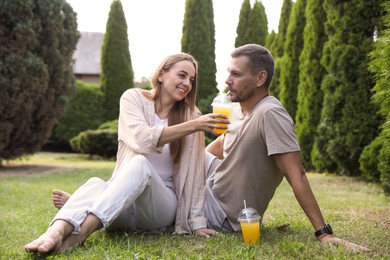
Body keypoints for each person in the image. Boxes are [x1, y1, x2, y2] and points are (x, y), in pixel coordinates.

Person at [24, 52, 223, 254]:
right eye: (182, 75)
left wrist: (197, 223)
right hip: (121, 207)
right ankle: (55, 232)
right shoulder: (133, 98)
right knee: (96, 183)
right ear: (161, 74)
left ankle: (80, 233)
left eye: (191, 79)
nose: (187, 83)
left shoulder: (192, 116)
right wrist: (194, 125)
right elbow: (142, 139)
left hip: (159, 209)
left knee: (139, 165)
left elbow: (196, 175)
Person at [203, 44, 370, 253]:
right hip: (206, 188)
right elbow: (221, 143)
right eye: (229, 73)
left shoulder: (270, 114)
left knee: (151, 175)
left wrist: (324, 232)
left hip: (221, 212)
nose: (228, 80)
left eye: (236, 74)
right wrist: (192, 166)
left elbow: (296, 175)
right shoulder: (235, 109)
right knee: (168, 157)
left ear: (260, 78)